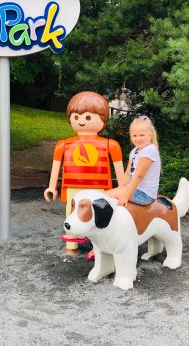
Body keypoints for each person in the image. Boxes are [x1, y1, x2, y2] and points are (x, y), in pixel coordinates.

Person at [44, 91, 124, 258]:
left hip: (101, 189)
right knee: (72, 213)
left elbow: (120, 172)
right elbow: (56, 166)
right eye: (76, 116)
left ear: (103, 119)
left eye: (88, 117)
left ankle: (99, 247)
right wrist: (52, 187)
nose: (81, 121)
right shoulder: (63, 145)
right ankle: (71, 245)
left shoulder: (111, 145)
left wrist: (123, 190)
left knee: (100, 215)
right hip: (73, 187)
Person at [105, 115, 161, 207]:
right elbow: (128, 173)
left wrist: (125, 196)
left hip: (144, 194)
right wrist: (119, 190)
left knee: (103, 196)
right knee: (107, 195)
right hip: (134, 190)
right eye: (134, 135)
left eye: (142, 135)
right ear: (130, 136)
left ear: (150, 135)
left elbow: (139, 176)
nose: (138, 139)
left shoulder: (149, 150)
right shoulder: (135, 151)